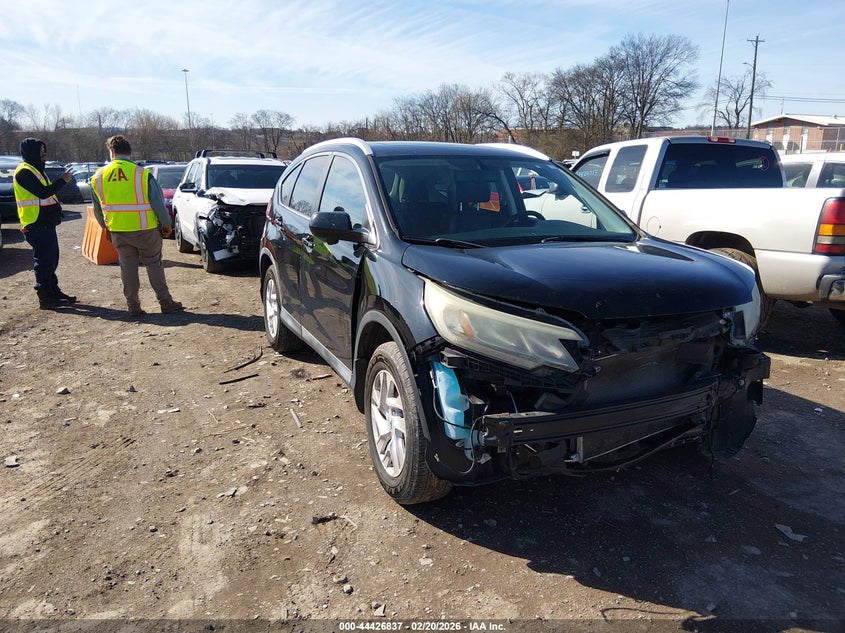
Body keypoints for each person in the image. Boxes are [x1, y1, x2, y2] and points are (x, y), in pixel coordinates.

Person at [90, 135, 183, 317]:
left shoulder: (98, 177)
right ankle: (165, 302)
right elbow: (158, 203)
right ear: (129, 152)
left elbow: (98, 209)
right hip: (146, 229)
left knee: (127, 267)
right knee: (154, 264)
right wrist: (166, 224)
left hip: (118, 230)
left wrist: (106, 227)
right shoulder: (142, 174)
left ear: (112, 152)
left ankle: (133, 305)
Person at [13, 138, 77, 308]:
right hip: (35, 223)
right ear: (32, 153)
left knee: (51, 259)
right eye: (41, 152)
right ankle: (45, 297)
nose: (44, 155)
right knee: (44, 261)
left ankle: (53, 291)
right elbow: (43, 193)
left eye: (44, 151)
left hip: (45, 222)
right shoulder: (24, 172)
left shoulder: (36, 170)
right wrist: (63, 180)